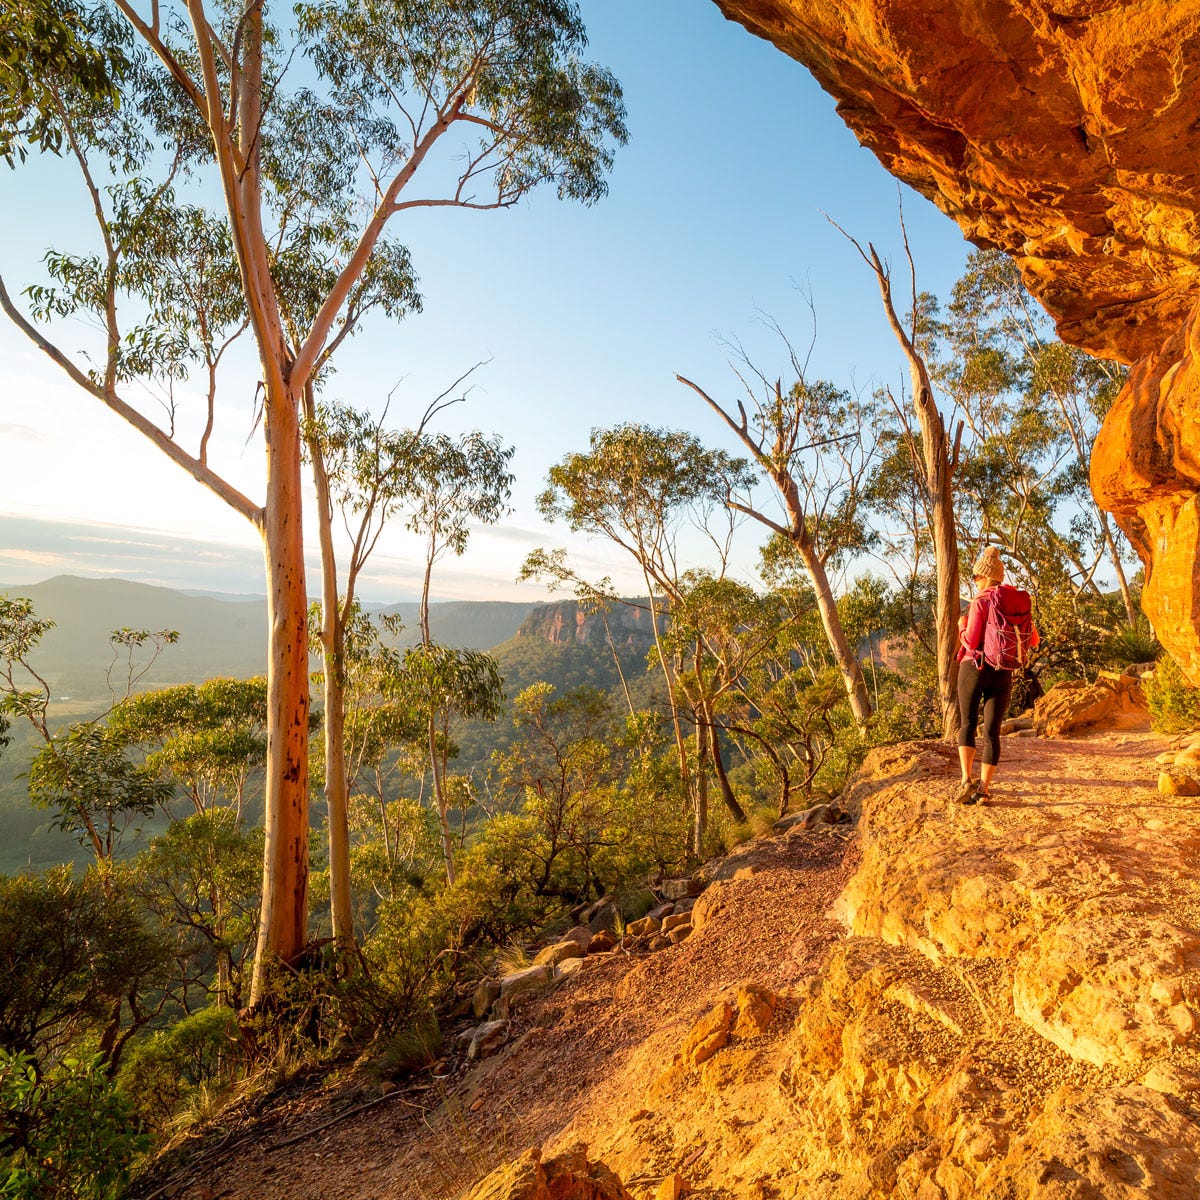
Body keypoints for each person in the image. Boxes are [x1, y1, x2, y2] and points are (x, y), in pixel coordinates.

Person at [955, 546, 1038, 805]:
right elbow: (1033, 639)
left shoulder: (981, 601)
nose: (975, 582)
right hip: (1004, 672)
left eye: (975, 577)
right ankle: (985, 790)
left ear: (982, 577)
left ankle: (965, 781)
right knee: (992, 733)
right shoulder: (1014, 601)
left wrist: (961, 627)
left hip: (975, 668)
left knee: (968, 724)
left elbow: (971, 640)